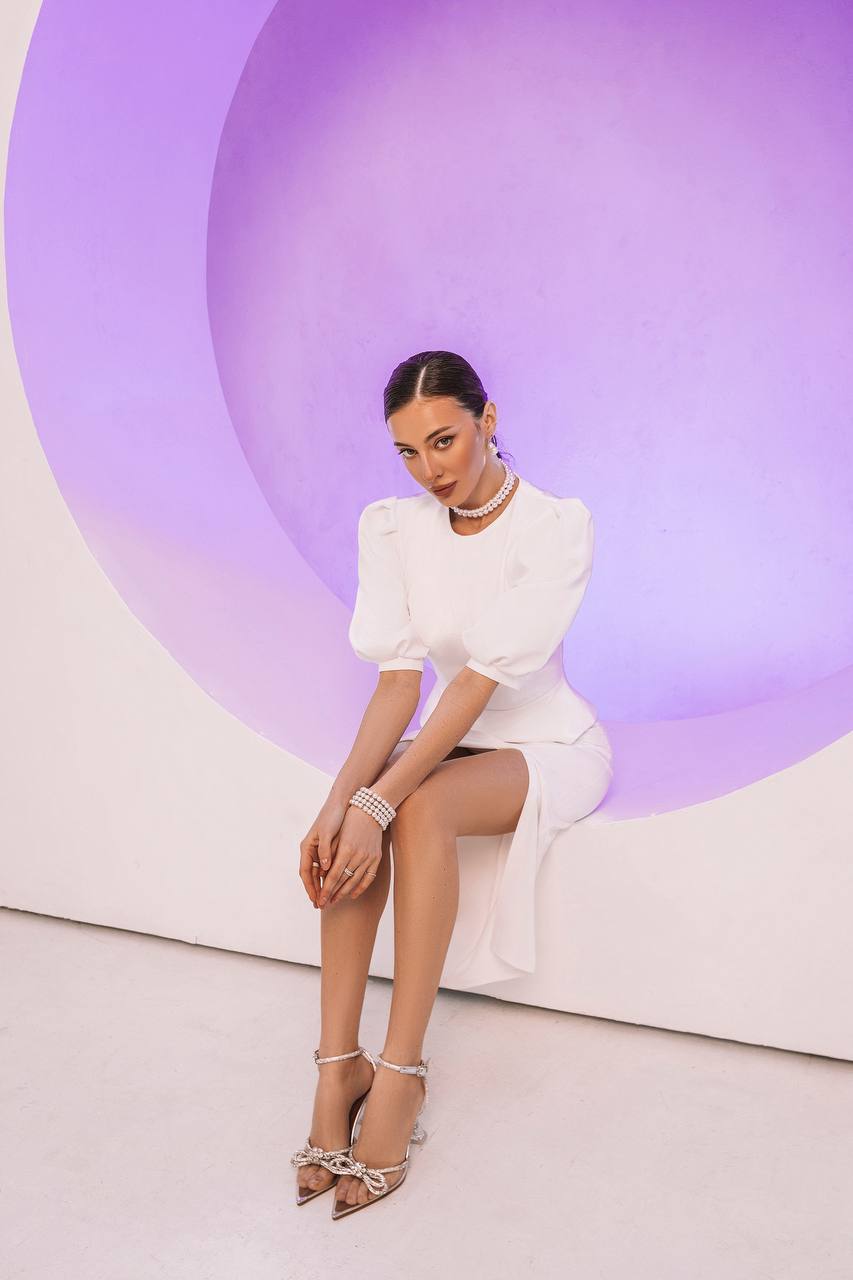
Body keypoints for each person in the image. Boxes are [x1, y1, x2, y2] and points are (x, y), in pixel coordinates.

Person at [291, 350, 614, 1219]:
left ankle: (399, 1077)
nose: (429, 469)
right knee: (348, 834)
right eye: (407, 451)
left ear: (488, 419)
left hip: (543, 743)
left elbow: (474, 682)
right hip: (445, 739)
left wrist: (377, 799)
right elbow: (400, 685)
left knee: (408, 808)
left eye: (444, 440)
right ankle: (336, 1071)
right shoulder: (392, 528)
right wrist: (335, 808)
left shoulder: (554, 525)